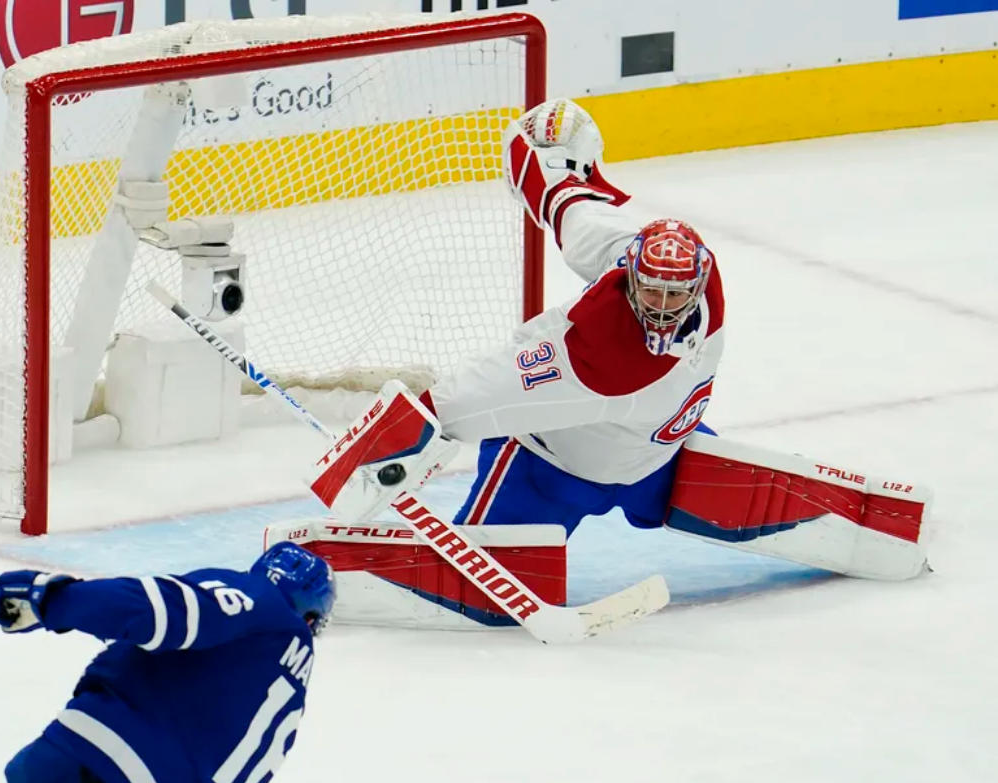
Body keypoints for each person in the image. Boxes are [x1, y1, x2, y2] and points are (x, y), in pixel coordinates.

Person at [308, 97, 723, 538]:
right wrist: (365, 461)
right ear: (629, 274)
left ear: (698, 282)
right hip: (572, 468)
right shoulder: (600, 345)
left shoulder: (644, 299)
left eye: (674, 294)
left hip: (633, 461)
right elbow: (472, 394)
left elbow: (579, 216)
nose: (661, 305)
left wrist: (558, 184)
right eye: (652, 290)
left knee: (636, 427)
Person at [0, 542, 337, 783]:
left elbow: (164, 609)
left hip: (98, 764)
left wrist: (56, 601)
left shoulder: (258, 597)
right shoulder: (293, 686)